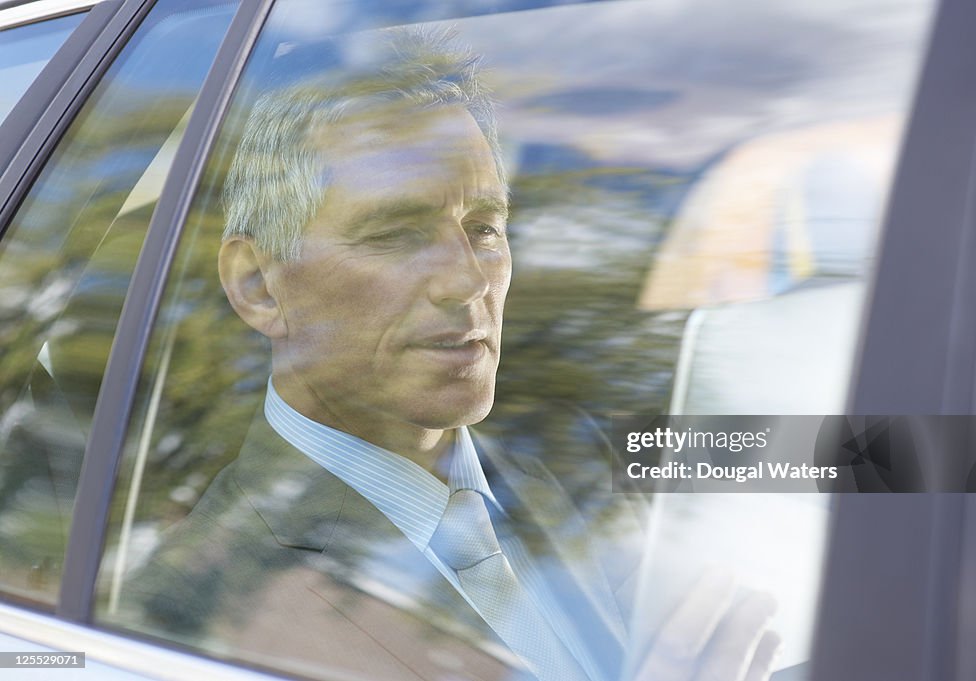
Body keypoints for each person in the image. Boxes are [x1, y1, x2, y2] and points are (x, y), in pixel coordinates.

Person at [124, 26, 777, 681]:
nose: (469, 280)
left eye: (484, 229)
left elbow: (843, 460)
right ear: (258, 284)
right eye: (397, 233)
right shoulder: (189, 606)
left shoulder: (563, 477)